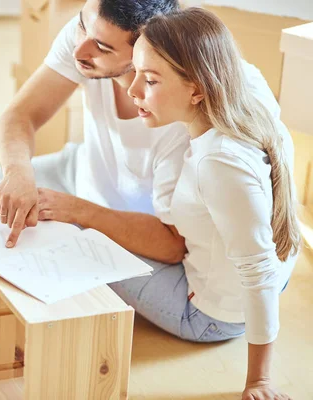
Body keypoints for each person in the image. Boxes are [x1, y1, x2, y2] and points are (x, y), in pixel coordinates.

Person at [116, 7, 299, 399]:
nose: (132, 91)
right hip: (239, 287)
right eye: (133, 72)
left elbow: (259, 271)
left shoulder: (219, 163)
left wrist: (259, 382)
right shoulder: (246, 99)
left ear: (198, 89)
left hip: (209, 316)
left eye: (149, 80)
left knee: (86, 240)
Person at [0, 0, 190, 264]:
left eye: (103, 48)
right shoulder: (87, 36)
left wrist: (76, 210)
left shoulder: (180, 117)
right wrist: (17, 171)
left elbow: (173, 245)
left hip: (138, 229)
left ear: (146, 53)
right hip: (80, 172)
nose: (79, 51)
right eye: (82, 26)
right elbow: (20, 115)